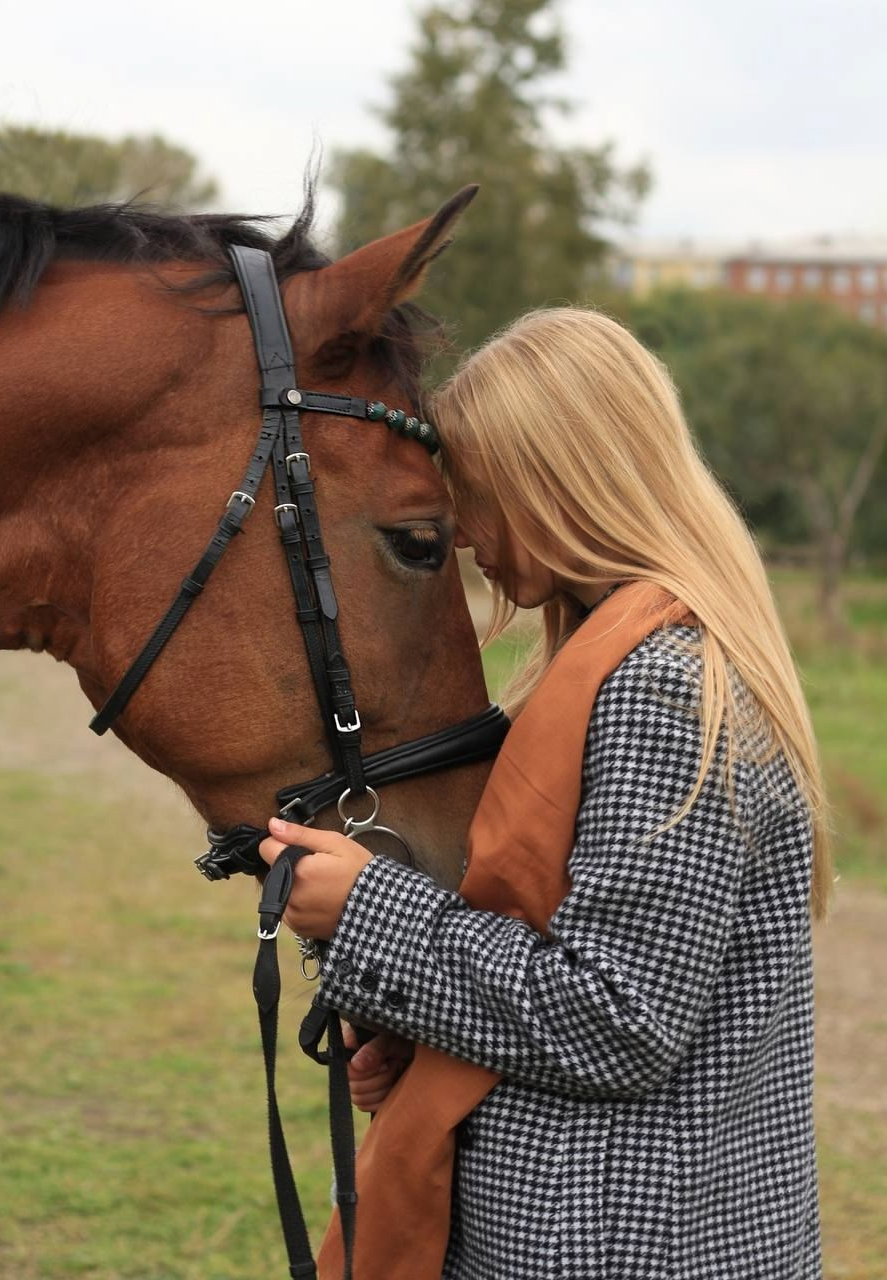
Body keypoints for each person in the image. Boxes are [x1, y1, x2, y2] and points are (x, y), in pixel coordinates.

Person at [259, 307, 828, 1280]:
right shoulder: (613, 665)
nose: (465, 534)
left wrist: (367, 913)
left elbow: (618, 1019)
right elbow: (552, 932)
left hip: (610, 1239)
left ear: (558, 483)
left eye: (479, 497)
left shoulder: (661, 686)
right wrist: (410, 1018)